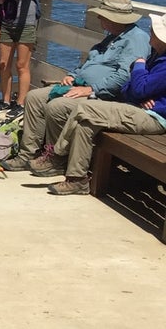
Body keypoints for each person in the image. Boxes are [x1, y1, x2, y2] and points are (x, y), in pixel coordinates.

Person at [4, 0, 150, 170]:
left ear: (115, 19)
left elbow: (124, 76)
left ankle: (56, 158)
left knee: (58, 106)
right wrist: (72, 75)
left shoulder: (136, 39)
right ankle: (27, 154)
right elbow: (90, 62)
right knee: (34, 97)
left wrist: (91, 89)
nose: (99, 18)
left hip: (104, 96)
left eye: (102, 15)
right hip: (81, 85)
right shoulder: (112, 36)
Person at [30, 14, 166, 195]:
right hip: (138, 107)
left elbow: (139, 87)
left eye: (153, 31)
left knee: (85, 108)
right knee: (86, 123)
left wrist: (139, 66)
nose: (150, 33)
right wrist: (140, 93)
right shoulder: (156, 56)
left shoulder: (159, 63)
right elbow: (128, 88)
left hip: (154, 117)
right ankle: (77, 179)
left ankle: (57, 154)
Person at [0, 0, 38, 116]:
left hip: (26, 25)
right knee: (3, 64)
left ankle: (21, 103)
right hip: (7, 25)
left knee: (21, 66)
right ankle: (6, 101)